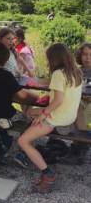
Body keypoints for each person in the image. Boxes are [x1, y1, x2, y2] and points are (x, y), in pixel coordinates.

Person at [18, 43, 82, 193]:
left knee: (23, 140)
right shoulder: (75, 71)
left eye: (48, 59)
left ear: (54, 59)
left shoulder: (59, 74)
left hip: (57, 117)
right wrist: (37, 81)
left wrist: (43, 115)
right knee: (30, 113)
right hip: (69, 115)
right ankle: (31, 144)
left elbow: (58, 100)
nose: (47, 62)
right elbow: (56, 87)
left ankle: (48, 174)